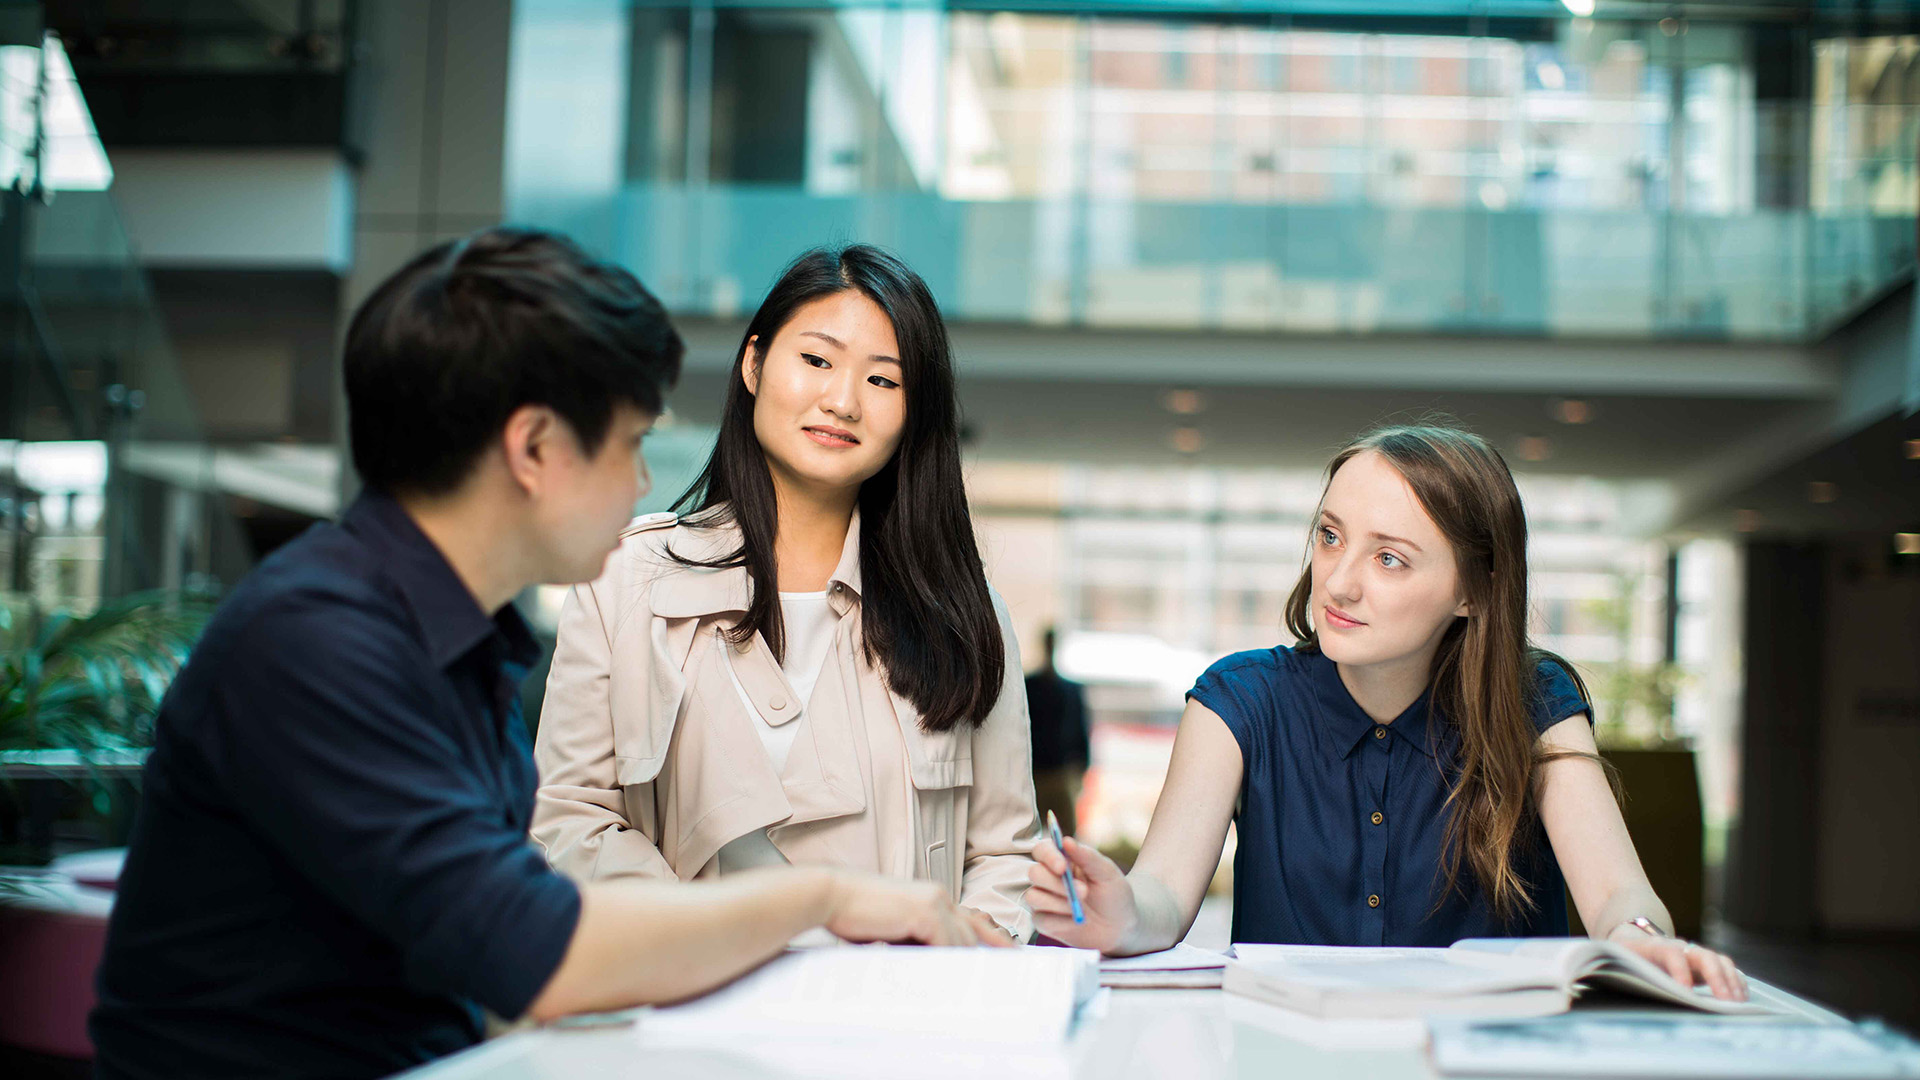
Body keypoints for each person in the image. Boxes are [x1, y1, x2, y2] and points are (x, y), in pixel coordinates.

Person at [89, 228, 1006, 1080]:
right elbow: (532, 946)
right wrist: (826, 902)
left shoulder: (448, 644)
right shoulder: (320, 644)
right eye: (631, 444)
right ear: (533, 448)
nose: (646, 483)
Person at [1025, 425, 1750, 1001]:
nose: (1337, 582)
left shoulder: (1536, 701)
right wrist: (1121, 911)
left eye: (1390, 559)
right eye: (1330, 536)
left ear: (1473, 592)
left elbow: (1615, 890)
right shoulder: (1241, 698)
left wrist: (1640, 934)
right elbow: (1162, 893)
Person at [532, 244, 1039, 941]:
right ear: (754, 363)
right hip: (688, 1008)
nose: (843, 401)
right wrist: (717, 935)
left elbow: (1005, 854)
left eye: (884, 381)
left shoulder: (962, 610)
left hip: (899, 1020)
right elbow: (571, 818)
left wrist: (964, 952)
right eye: (817, 360)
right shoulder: (625, 578)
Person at [1026, 626, 1090, 837]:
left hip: (1061, 771)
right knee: (1030, 831)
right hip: (1036, 772)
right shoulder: (1030, 686)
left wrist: (1081, 768)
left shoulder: (1070, 689)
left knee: (1069, 834)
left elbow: (1080, 729)